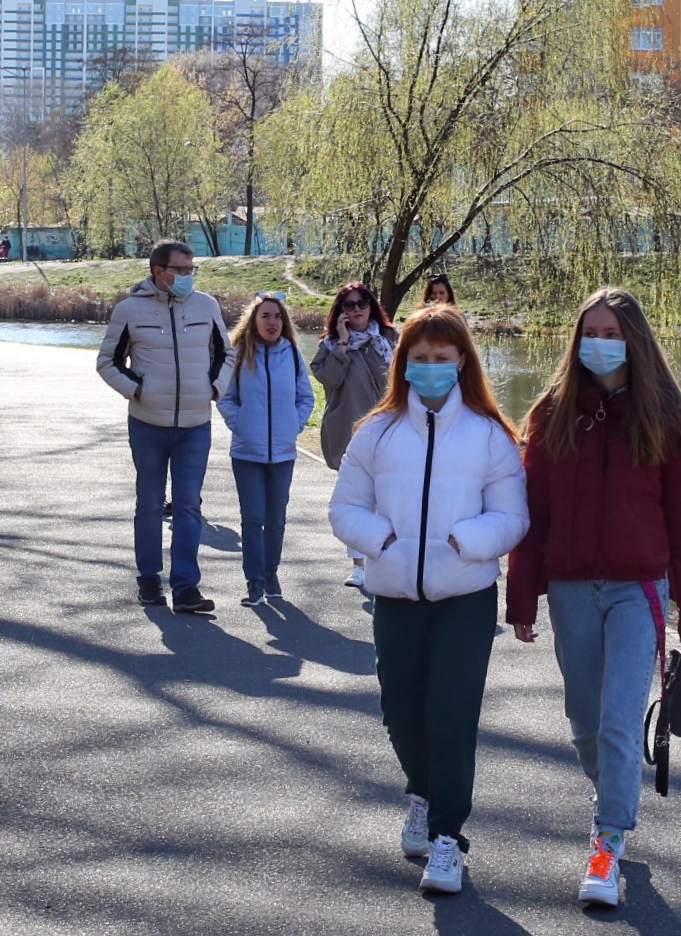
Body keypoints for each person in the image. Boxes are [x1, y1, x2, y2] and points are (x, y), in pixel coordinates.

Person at [506, 288, 681, 909]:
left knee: (620, 720)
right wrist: (521, 599)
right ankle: (610, 799)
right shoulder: (550, 415)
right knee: (584, 722)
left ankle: (607, 840)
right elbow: (532, 514)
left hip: (637, 589)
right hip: (569, 588)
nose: (600, 343)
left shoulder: (666, 417)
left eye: (613, 333)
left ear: (635, 341)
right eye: (591, 331)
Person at [329, 305, 528, 895]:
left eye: (443, 359)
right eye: (421, 359)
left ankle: (448, 836)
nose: (432, 368)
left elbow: (513, 517)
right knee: (401, 711)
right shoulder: (378, 432)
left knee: (452, 714)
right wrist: (379, 538)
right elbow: (344, 508)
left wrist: (471, 540)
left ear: (462, 362)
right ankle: (421, 790)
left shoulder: (490, 435)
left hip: (464, 596)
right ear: (404, 364)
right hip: (394, 593)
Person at [98, 240, 230, 613]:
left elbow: (226, 352)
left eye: (192, 269)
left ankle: (186, 587)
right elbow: (107, 361)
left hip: (194, 425)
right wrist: (136, 390)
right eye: (181, 270)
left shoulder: (206, 306)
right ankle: (149, 578)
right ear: (159, 271)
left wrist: (214, 388)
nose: (188, 276)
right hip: (148, 425)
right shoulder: (129, 310)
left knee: (188, 505)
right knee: (150, 504)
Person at [217, 292, 314, 607]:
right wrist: (240, 425)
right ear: (253, 321)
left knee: (276, 519)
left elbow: (305, 397)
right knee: (252, 518)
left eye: (277, 316)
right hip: (248, 452)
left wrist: (294, 425)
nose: (272, 322)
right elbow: (225, 397)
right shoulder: (239, 353)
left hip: (283, 453)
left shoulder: (293, 355)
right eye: (265, 316)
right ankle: (254, 581)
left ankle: (271, 574)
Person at [310, 282, 396, 589]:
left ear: (372, 306)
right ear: (341, 312)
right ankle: (359, 565)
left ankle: (387, 557)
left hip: (390, 430)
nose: (356, 309)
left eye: (362, 303)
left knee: (390, 499)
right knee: (358, 501)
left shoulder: (389, 339)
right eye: (349, 305)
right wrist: (344, 343)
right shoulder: (330, 346)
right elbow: (330, 380)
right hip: (349, 432)